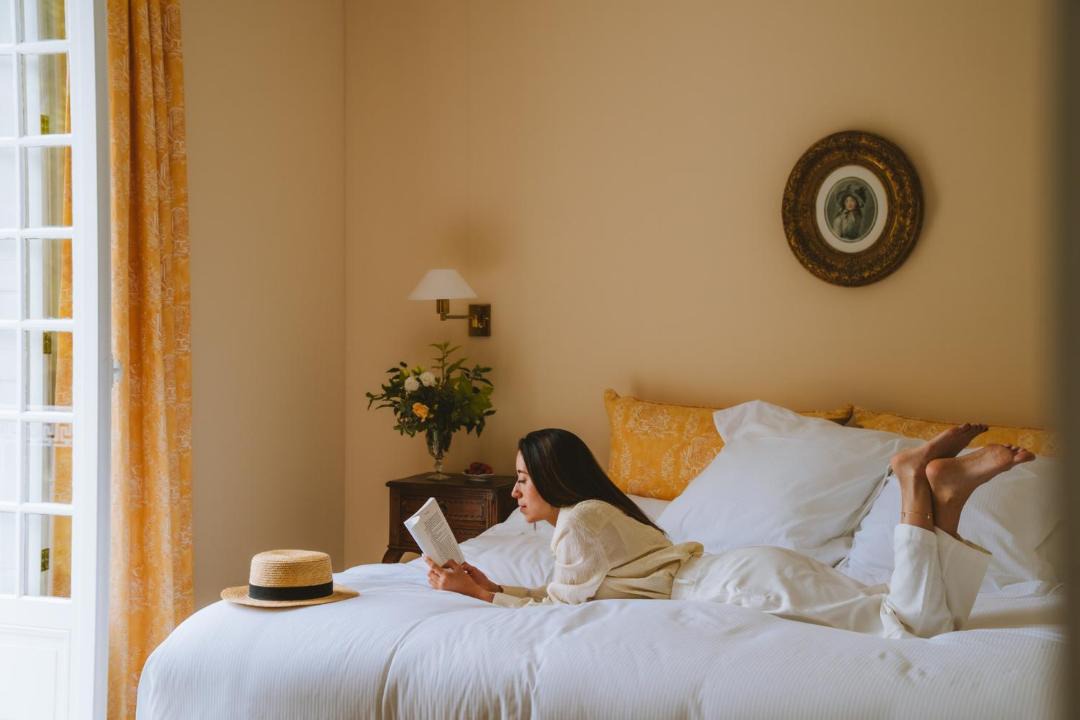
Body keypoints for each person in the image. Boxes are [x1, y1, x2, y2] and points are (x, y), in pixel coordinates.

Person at [425, 426, 1034, 639]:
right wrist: (491, 586)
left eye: (523, 478)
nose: (515, 492)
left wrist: (485, 597)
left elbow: (557, 613)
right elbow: (564, 596)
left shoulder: (579, 522)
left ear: (553, 477)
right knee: (911, 613)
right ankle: (947, 500)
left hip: (733, 587)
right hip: (741, 571)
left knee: (902, 626)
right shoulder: (592, 517)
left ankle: (912, 484)